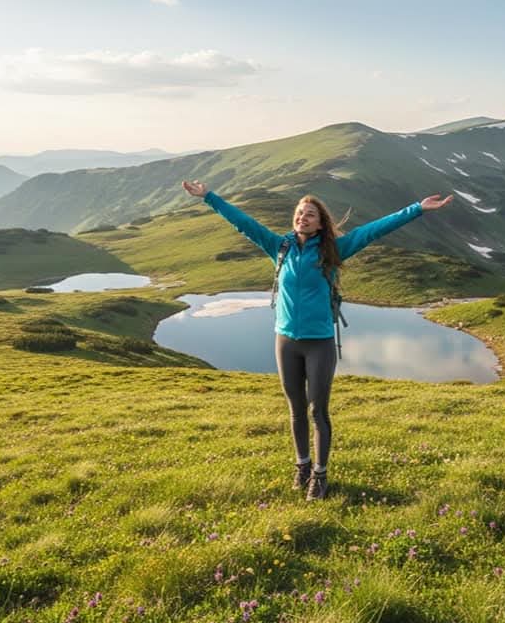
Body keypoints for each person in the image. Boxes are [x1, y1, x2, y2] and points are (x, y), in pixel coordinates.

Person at [180, 180, 453, 501]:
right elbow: (244, 223)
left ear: (321, 222)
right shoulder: (278, 247)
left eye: (309, 214)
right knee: (295, 409)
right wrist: (209, 197)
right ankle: (303, 466)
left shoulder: (334, 250)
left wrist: (417, 209)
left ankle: (320, 476)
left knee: (317, 411)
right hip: (286, 341)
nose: (302, 218)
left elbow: (374, 230)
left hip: (319, 342)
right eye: (299, 213)